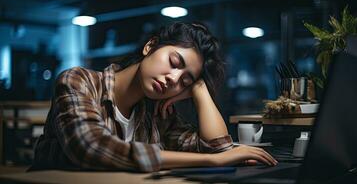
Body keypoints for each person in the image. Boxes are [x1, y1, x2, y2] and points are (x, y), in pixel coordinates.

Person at [31, 22, 277, 172]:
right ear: (150, 46)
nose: (173, 79)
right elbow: (92, 148)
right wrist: (213, 163)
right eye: (173, 62)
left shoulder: (156, 112)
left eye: (184, 80)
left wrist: (199, 89)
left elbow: (217, 148)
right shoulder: (78, 80)